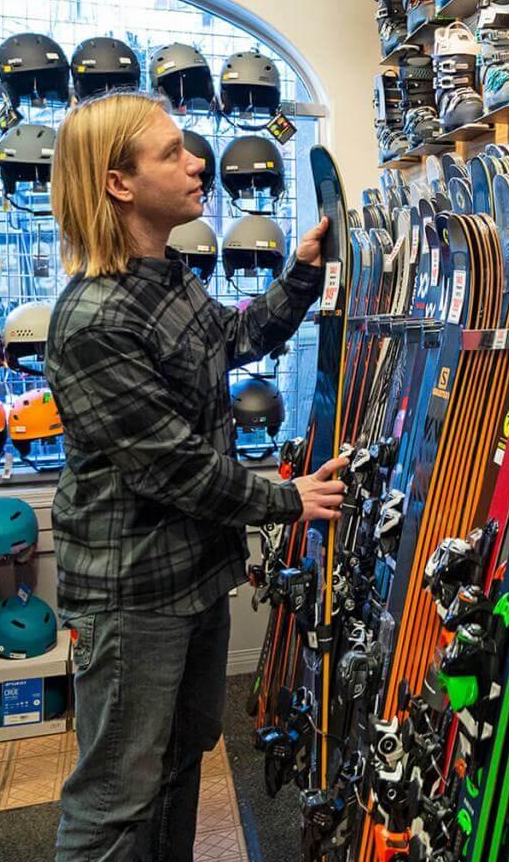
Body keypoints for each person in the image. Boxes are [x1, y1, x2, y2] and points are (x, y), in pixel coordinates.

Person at [46, 90, 345, 860]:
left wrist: (303, 274)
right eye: (172, 152)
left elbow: (235, 338)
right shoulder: (93, 320)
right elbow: (174, 469)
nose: (195, 163)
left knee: (182, 762)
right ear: (119, 183)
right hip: (133, 593)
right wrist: (289, 500)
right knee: (115, 797)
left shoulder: (167, 279)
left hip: (195, 576)